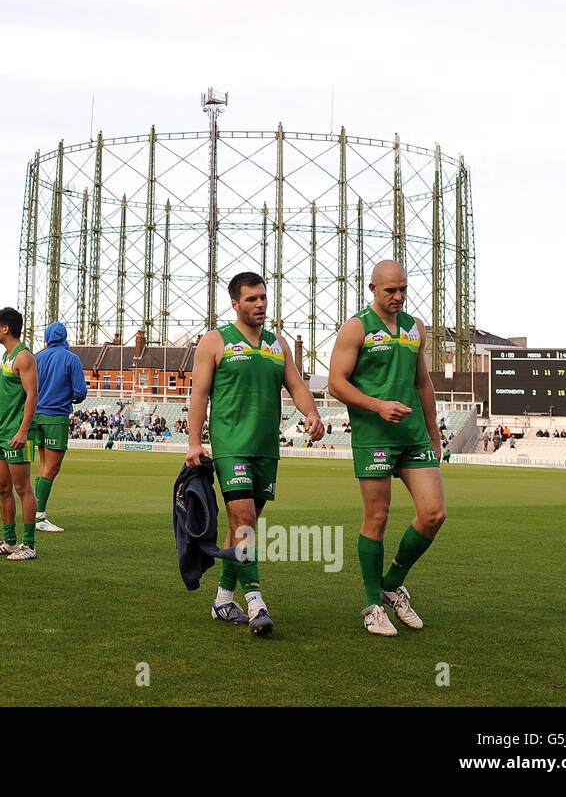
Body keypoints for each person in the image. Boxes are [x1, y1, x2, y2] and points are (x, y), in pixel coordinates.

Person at [184, 271, 323, 635]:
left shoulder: (279, 346)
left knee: (242, 528)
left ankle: (223, 600)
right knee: (243, 521)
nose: (260, 304)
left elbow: (296, 385)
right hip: (231, 446)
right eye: (251, 299)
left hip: (266, 449)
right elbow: (199, 394)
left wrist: (311, 413)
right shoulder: (215, 341)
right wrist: (194, 443)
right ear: (235, 303)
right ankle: (257, 604)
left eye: (263, 297)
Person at [328, 260, 446, 638]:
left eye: (403, 290)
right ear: (372, 288)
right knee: (376, 518)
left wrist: (433, 432)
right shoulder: (356, 327)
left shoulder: (415, 328)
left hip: (413, 436)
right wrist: (378, 405)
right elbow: (335, 383)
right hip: (374, 437)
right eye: (389, 290)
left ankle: (392, 583)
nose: (397, 297)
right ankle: (373, 607)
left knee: (434, 514)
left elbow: (423, 382)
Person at [0, 307, 39, 560]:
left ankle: (29, 545)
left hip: (16, 433)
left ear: (6, 328)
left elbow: (32, 395)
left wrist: (23, 430)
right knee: (3, 488)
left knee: (22, 488)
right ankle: (9, 542)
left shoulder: (24, 357)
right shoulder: (6, 357)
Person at [31, 321, 88, 532]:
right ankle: (39, 517)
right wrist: (69, 398)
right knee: (52, 468)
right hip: (56, 416)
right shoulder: (71, 359)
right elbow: (80, 392)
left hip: (37, 416)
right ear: (64, 337)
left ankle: (35, 513)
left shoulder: (37, 358)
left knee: (44, 465)